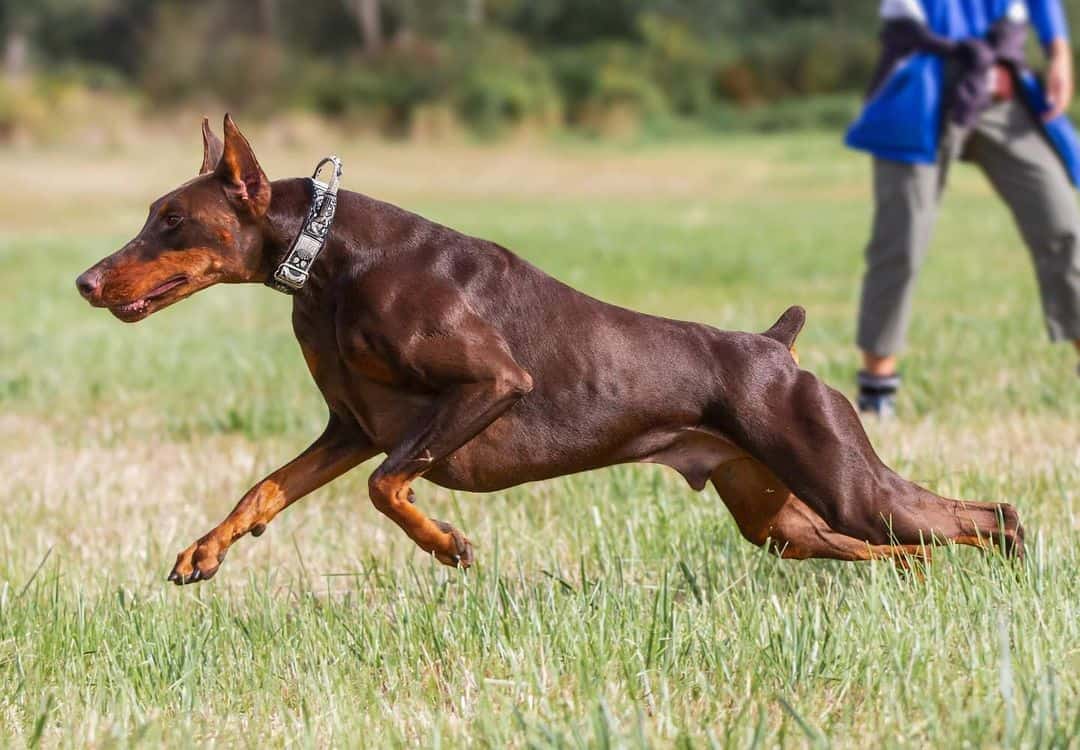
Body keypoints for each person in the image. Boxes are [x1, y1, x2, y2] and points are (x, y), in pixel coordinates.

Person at [846, 0, 1080, 415]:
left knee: (1063, 224)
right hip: (920, 79)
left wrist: (1059, 51)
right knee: (901, 239)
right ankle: (877, 390)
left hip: (1001, 86)